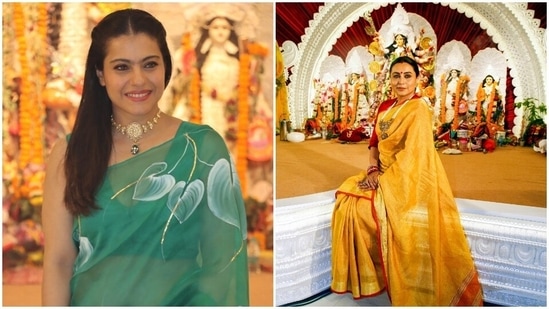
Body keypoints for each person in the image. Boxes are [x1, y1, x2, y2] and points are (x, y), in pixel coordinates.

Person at [41, 9, 249, 306]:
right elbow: (59, 262)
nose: (138, 80)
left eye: (150, 64)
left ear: (166, 67)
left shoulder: (202, 148)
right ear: (100, 74)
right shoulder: (71, 153)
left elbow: (223, 263)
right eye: (122, 67)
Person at [330, 56, 483, 306]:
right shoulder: (385, 107)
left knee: (363, 210)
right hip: (380, 171)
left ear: (417, 79)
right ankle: (371, 277)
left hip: (409, 175)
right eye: (396, 75)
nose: (401, 81)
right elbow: (374, 145)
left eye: (407, 75)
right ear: (390, 79)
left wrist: (384, 179)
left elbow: (414, 154)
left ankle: (396, 279)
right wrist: (372, 170)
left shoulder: (419, 108)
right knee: (347, 202)